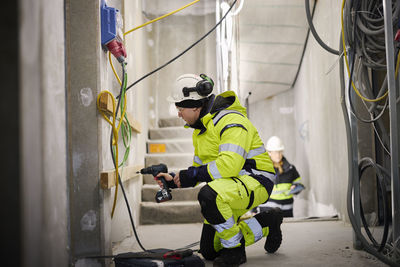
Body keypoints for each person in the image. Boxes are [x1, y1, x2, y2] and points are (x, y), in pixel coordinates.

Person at [156, 73, 283, 267]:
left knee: (208, 195)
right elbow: (199, 169)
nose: (178, 114)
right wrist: (176, 179)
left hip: (256, 181)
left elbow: (229, 165)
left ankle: (234, 252)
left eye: (180, 108)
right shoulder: (201, 131)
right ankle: (268, 222)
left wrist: (194, 175)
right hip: (230, 185)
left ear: (195, 106)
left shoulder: (231, 121)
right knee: (209, 251)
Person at [254, 136, 304, 217]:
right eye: (275, 152)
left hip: (286, 210)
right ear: (269, 152)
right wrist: (253, 210)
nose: (278, 155)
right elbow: (255, 190)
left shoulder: (290, 169)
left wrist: (296, 187)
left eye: (280, 152)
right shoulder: (262, 170)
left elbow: (298, 184)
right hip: (267, 210)